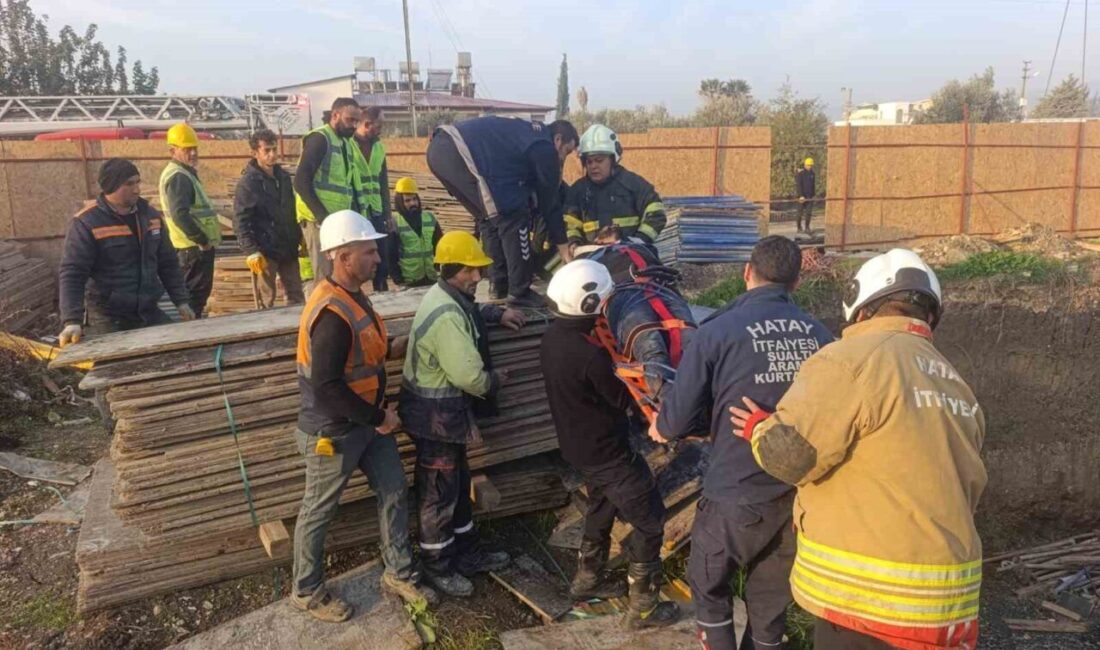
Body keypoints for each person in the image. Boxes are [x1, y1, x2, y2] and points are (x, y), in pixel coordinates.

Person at [730, 249, 987, 650]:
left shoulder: (850, 359)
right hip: (949, 605)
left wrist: (759, 429)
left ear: (861, 307)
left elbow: (791, 456)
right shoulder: (954, 380)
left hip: (873, 606)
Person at [652, 236, 834, 650]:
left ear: (746, 272)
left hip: (738, 490)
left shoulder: (717, 332)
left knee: (708, 583)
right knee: (771, 601)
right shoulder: (822, 336)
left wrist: (663, 428)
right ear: (796, 282)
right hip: (800, 497)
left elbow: (676, 420)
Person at [291, 209, 435, 622]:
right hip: (334, 430)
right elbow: (327, 386)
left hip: (366, 423)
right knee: (319, 509)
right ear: (342, 256)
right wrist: (379, 419)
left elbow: (365, 351)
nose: (377, 258)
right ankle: (306, 590)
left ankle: (399, 571)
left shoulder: (353, 295)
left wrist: (399, 345)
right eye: (368, 251)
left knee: (393, 490)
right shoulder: (332, 314)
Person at [541, 259, 680, 630]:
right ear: (588, 305)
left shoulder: (553, 338)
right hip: (608, 453)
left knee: (600, 503)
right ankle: (644, 608)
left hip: (578, 448)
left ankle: (587, 578)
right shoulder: (590, 356)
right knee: (650, 522)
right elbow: (625, 402)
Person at [399, 231, 527, 597]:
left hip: (443, 416)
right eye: (470, 270)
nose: (477, 277)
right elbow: (469, 377)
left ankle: (465, 553)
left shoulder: (450, 296)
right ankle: (437, 565)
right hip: (434, 418)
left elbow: (471, 310)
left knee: (455, 483)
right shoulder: (445, 315)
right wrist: (495, 380)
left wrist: (497, 312)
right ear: (452, 268)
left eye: (478, 269)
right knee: (438, 492)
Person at [426, 116, 578, 308]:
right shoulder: (544, 145)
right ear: (558, 140)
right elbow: (550, 201)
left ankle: (499, 285)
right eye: (567, 151)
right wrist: (564, 249)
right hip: (460, 150)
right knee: (514, 215)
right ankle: (520, 291)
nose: (564, 159)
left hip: (440, 150)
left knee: (489, 219)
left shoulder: (527, 134)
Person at [58, 158, 194, 345]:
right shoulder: (87, 222)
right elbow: (73, 273)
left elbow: (168, 262)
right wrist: (72, 320)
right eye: (129, 184)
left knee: (175, 351)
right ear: (111, 186)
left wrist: (181, 301)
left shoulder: (150, 217)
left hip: (147, 311)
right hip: (109, 317)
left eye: (138, 182)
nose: (137, 189)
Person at [577, 226, 696, 405]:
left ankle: (699, 402)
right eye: (606, 228)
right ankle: (675, 409)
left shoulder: (641, 246)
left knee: (693, 344)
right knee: (651, 346)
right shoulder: (591, 257)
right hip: (623, 295)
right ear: (598, 241)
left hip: (661, 287)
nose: (611, 225)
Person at [295, 98, 364, 289]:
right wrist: (322, 217)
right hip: (318, 221)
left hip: (336, 221)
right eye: (350, 120)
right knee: (325, 277)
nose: (354, 126)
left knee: (340, 275)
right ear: (335, 115)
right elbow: (301, 182)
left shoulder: (345, 143)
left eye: (357, 121)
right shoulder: (319, 139)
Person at [233, 128, 305, 308]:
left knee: (296, 295)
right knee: (267, 300)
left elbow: (291, 209)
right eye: (267, 150)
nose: (272, 154)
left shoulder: (284, 178)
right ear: (255, 153)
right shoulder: (248, 183)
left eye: (274, 149)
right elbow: (241, 219)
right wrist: (251, 251)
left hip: (288, 246)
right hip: (265, 251)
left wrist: (299, 235)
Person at [564, 124, 666, 249]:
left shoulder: (633, 184)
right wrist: (574, 242)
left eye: (599, 160)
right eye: (589, 161)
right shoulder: (578, 191)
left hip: (629, 257)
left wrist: (639, 240)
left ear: (612, 159)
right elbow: (569, 223)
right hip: (591, 260)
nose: (593, 166)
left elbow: (656, 213)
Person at [159, 122, 221, 318]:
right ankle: (190, 336)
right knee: (194, 299)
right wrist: (201, 240)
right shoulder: (179, 177)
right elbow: (180, 214)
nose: (193, 153)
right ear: (173, 150)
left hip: (190, 248)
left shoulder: (183, 173)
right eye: (187, 149)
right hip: (192, 249)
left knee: (195, 299)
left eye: (194, 148)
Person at [352, 106, 393, 292]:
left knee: (382, 256)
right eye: (379, 125)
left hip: (376, 210)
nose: (381, 129)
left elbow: (383, 182)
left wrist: (388, 213)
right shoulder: (348, 145)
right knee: (358, 257)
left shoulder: (379, 147)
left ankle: (381, 289)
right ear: (367, 124)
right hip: (357, 210)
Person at [389, 176, 443, 288]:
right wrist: (398, 280)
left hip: (431, 277)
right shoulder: (394, 223)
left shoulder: (430, 218)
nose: (413, 203)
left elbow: (440, 246)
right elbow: (391, 255)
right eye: (407, 200)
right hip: (409, 281)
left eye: (414, 199)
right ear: (400, 202)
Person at [795, 157, 815, 233]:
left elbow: (813, 185)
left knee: (808, 213)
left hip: (809, 197)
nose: (810, 167)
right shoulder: (800, 174)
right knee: (800, 213)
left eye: (811, 165)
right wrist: (800, 196)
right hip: (801, 197)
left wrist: (813, 195)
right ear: (805, 165)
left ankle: (807, 227)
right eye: (808, 165)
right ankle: (799, 228)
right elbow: (798, 185)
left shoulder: (812, 174)